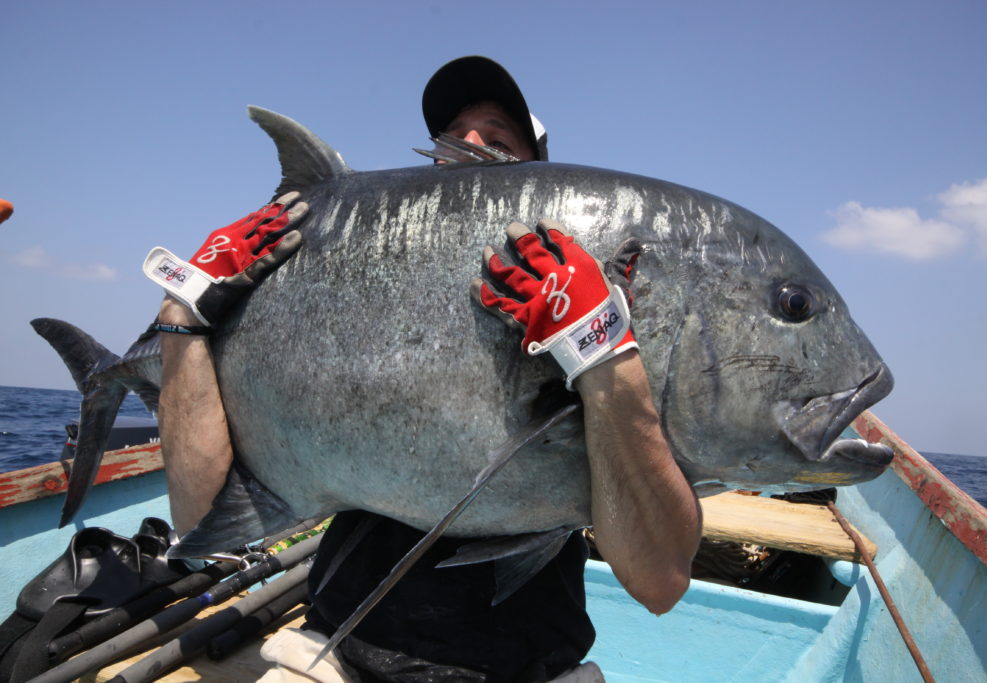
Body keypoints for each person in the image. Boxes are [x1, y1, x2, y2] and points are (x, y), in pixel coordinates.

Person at [151, 57, 702, 682]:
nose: (469, 145)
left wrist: (600, 350)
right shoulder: (357, 283)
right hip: (335, 655)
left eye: (497, 137)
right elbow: (197, 521)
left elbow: (661, 584)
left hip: (532, 668)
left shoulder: (600, 302)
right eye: (452, 136)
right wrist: (182, 314)